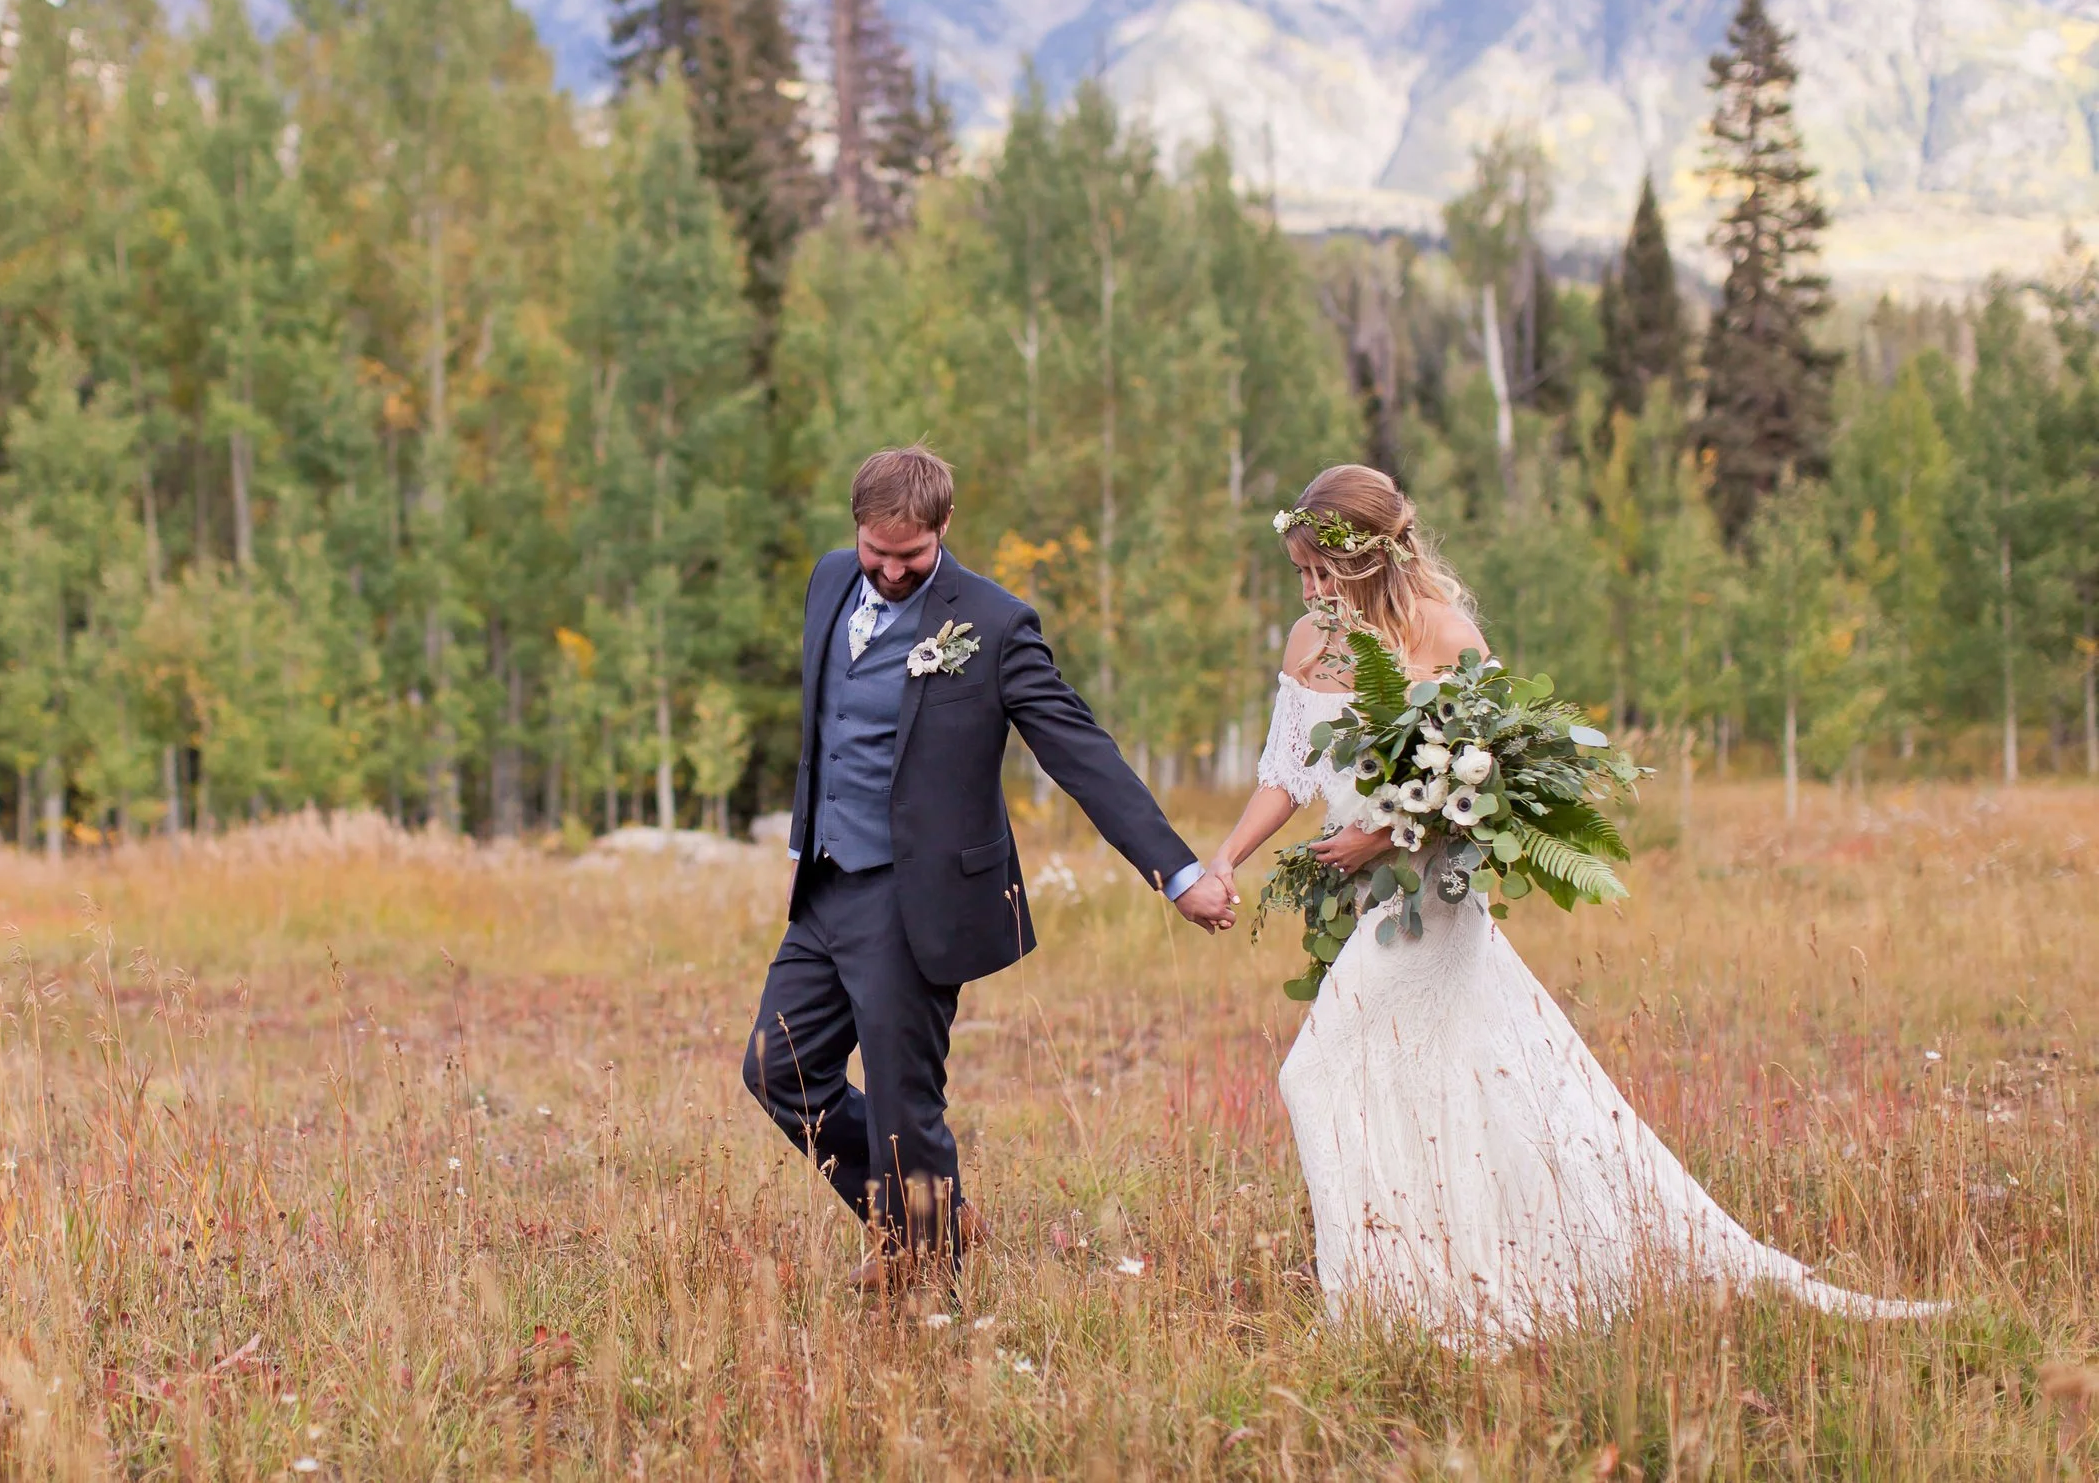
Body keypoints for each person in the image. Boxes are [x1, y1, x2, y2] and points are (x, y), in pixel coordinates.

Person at [1205, 463, 1939, 1340]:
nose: (1313, 590)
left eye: (1326, 572)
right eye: (1301, 574)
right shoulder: (1306, 643)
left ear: (1375, 558)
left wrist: (1385, 834)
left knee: (1315, 1068)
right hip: (1370, 899)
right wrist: (1225, 856)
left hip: (1431, 898)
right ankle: (1430, 1270)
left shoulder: (1445, 633)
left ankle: (1364, 1301)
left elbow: (1490, 776)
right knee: (1437, 1081)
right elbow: (1288, 773)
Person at [743, 445, 1236, 1291]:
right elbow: (822, 722)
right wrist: (803, 831)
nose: (892, 571)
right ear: (855, 529)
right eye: (877, 551)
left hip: (916, 897)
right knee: (776, 1068)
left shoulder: (997, 623)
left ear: (945, 528)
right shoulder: (828, 580)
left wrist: (1179, 873)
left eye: (912, 555)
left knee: (905, 1102)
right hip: (825, 880)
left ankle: (925, 1270)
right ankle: (931, 1218)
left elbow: (1080, 752)